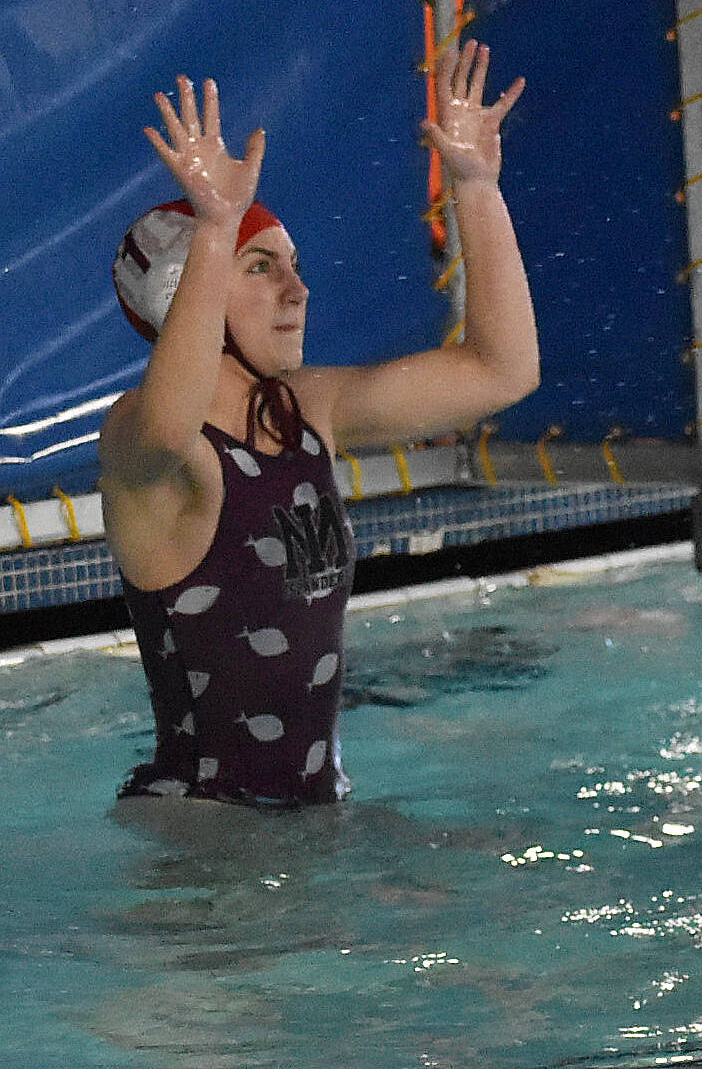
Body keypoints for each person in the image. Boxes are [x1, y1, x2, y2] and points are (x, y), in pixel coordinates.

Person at [100, 41, 537, 806]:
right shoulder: (150, 440)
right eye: (261, 267)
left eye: (294, 264)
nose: (298, 289)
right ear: (182, 294)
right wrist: (214, 229)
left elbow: (501, 372)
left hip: (314, 810)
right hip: (206, 829)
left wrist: (475, 187)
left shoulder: (310, 411)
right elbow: (169, 429)